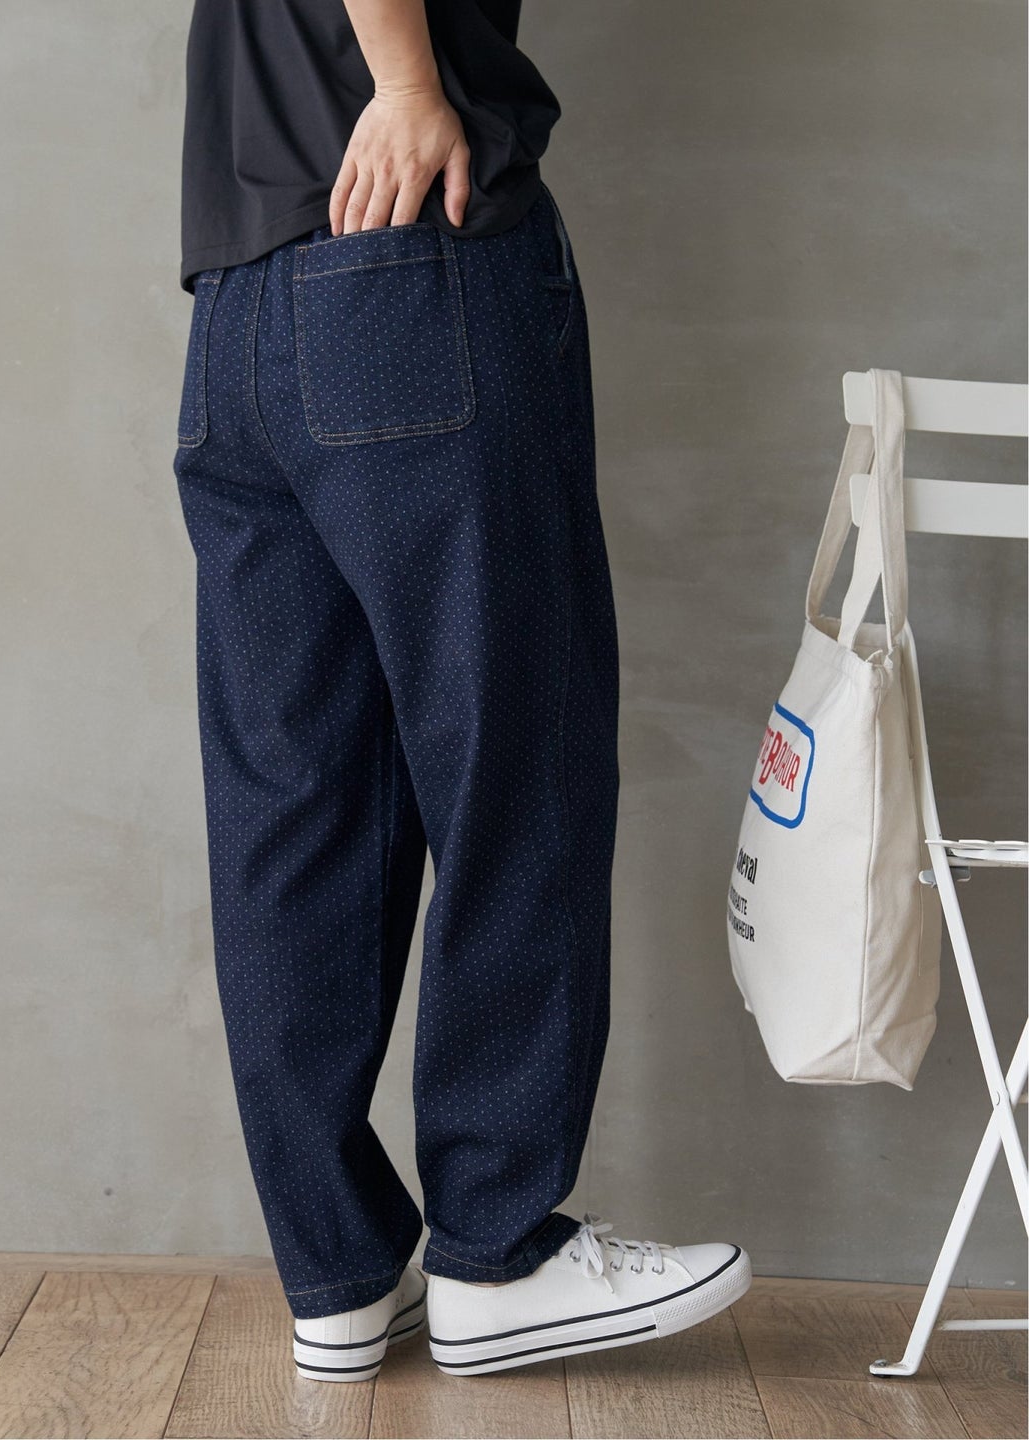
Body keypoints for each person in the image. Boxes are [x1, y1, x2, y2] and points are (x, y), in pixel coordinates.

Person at [172, 0, 751, 1380]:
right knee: (514, 761)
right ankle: (496, 1252)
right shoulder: (399, 102)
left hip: (237, 316)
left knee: (295, 811)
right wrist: (407, 81)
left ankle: (335, 1273)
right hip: (411, 271)